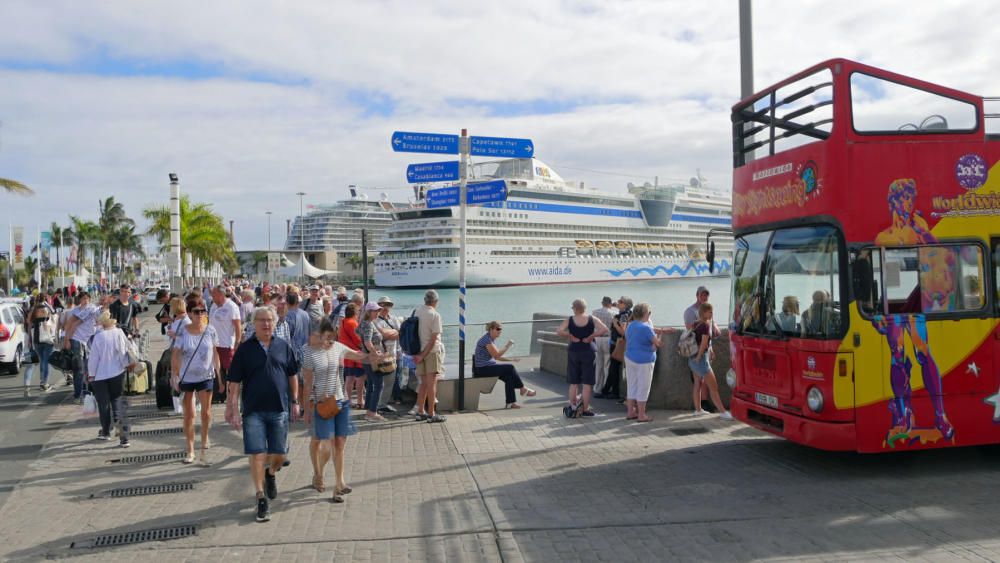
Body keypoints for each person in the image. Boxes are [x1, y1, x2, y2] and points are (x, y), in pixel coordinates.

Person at [225, 307, 301, 523]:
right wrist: (231, 407)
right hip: (253, 411)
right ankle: (260, 497)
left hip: (279, 409)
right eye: (262, 321)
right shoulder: (245, 349)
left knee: (279, 455)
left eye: (270, 320)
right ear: (254, 324)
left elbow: (292, 374)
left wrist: (295, 401)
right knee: (257, 454)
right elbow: (234, 381)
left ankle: (271, 473)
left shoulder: (283, 346)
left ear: (275, 323)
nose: (266, 324)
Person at [303, 319, 372, 502]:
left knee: (339, 443)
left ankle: (339, 484)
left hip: (341, 401)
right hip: (322, 403)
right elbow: (307, 382)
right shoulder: (309, 353)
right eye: (325, 336)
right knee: (323, 443)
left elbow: (357, 355)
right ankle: (318, 473)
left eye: (332, 336)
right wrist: (306, 408)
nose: (329, 340)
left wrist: (373, 354)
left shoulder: (338, 347)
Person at [172, 298, 221, 465]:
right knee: (189, 415)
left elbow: (215, 353)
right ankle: (190, 450)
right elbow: (176, 354)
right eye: (196, 312)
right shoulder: (183, 332)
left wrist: (219, 374)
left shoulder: (211, 330)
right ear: (190, 314)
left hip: (206, 376)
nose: (199, 315)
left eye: (202, 311)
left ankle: (205, 438)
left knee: (206, 412)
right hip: (187, 377)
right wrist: (175, 375)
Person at [87, 311, 135, 447]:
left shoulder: (98, 337)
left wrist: (91, 374)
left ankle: (106, 431)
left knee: (104, 404)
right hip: (117, 372)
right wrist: (126, 364)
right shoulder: (119, 332)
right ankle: (124, 437)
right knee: (117, 402)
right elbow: (127, 349)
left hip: (100, 375)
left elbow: (93, 359)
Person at [557, 299, 608, 417]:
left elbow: (559, 331)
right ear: (585, 308)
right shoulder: (591, 319)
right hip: (588, 351)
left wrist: (570, 335)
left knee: (573, 382)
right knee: (587, 383)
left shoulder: (569, 320)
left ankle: (574, 407)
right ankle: (585, 409)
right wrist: (591, 336)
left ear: (574, 308)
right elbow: (604, 329)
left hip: (574, 351)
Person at [473, 321, 535, 408]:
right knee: (510, 368)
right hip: (483, 369)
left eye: (501, 329)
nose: (500, 331)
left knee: (509, 377)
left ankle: (510, 403)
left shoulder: (490, 339)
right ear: (491, 329)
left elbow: (496, 357)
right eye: (498, 329)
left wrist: (511, 359)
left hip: (488, 366)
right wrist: (508, 345)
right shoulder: (486, 340)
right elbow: (497, 355)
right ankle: (522, 389)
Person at [624, 303, 669, 422]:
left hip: (630, 358)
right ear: (646, 314)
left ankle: (630, 412)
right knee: (643, 387)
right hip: (644, 360)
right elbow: (657, 344)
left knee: (632, 385)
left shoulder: (630, 325)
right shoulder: (646, 328)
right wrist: (660, 337)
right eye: (649, 313)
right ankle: (641, 415)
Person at [689, 303, 732, 420]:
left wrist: (706, 352)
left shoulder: (695, 324)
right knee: (713, 387)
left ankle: (698, 410)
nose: (712, 314)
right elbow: (703, 343)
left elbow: (696, 341)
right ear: (704, 313)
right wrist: (699, 357)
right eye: (710, 312)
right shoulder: (706, 325)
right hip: (701, 359)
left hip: (691, 358)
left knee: (697, 384)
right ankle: (723, 412)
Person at [62, 292, 102, 402]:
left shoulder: (92, 309)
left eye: (88, 298)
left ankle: (85, 392)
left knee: (86, 368)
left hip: (86, 341)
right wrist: (67, 340)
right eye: (84, 298)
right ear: (79, 300)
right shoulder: (77, 311)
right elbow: (70, 325)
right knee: (79, 369)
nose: (86, 300)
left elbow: (98, 322)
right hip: (77, 340)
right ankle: (78, 395)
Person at [413, 289, 446, 423]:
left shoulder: (418, 311)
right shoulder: (435, 315)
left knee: (423, 384)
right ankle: (432, 413)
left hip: (418, 350)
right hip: (431, 353)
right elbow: (433, 339)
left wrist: (420, 355)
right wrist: (424, 355)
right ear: (436, 301)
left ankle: (420, 411)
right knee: (432, 384)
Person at [209, 285, 242, 403]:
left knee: (229, 371)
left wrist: (237, 342)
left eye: (214, 294)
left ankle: (232, 395)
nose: (212, 297)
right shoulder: (213, 306)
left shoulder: (232, 307)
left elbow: (238, 326)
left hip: (227, 344)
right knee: (216, 369)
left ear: (221, 295)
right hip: (213, 344)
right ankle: (219, 394)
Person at [684, 287, 714, 411]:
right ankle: (700, 405)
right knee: (698, 380)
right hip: (695, 350)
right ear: (697, 295)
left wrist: (711, 348)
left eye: (706, 295)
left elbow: (710, 331)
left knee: (703, 380)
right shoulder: (690, 311)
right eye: (702, 295)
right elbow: (690, 330)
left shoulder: (708, 310)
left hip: (706, 349)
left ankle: (703, 404)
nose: (704, 297)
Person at [358, 302, 388, 422]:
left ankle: (369, 409)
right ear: (369, 312)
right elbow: (367, 342)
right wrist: (376, 353)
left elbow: (357, 332)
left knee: (371, 383)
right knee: (379, 384)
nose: (378, 312)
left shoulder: (363, 323)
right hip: (372, 359)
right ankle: (372, 412)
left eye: (378, 310)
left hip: (365, 359)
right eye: (375, 311)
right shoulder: (369, 324)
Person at [598, 296, 631, 402]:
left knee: (614, 369)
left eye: (620, 301)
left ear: (625, 305)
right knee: (613, 368)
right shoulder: (626, 313)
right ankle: (606, 390)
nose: (618, 302)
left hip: (617, 345)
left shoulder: (623, 316)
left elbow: (623, 331)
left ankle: (613, 392)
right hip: (615, 344)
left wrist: (615, 323)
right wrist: (615, 306)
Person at [375, 296, 404, 406]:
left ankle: (386, 402)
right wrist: (394, 332)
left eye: (388, 305)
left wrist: (391, 333)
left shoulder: (394, 318)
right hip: (383, 355)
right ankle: (380, 404)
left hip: (396, 352)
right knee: (381, 382)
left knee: (395, 378)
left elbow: (400, 333)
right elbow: (382, 334)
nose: (386, 307)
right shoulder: (375, 320)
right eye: (383, 305)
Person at [24, 302, 57, 395]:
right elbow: (52, 327)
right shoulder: (47, 316)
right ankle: (44, 383)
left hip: (37, 342)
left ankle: (42, 381)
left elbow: (29, 328)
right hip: (47, 341)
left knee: (42, 361)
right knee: (46, 362)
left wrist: (30, 341)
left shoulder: (33, 317)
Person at [337, 303, 366, 409]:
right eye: (358, 311)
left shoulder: (343, 322)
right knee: (360, 378)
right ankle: (360, 400)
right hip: (356, 354)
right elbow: (358, 339)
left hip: (347, 354)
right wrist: (365, 347)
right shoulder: (353, 323)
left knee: (349, 378)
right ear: (354, 312)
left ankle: (348, 400)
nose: (359, 313)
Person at [591, 296, 616, 397]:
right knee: (607, 365)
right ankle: (606, 388)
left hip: (597, 339)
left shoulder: (594, 312)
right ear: (610, 304)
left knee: (599, 365)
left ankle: (597, 389)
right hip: (608, 339)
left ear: (602, 303)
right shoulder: (613, 313)